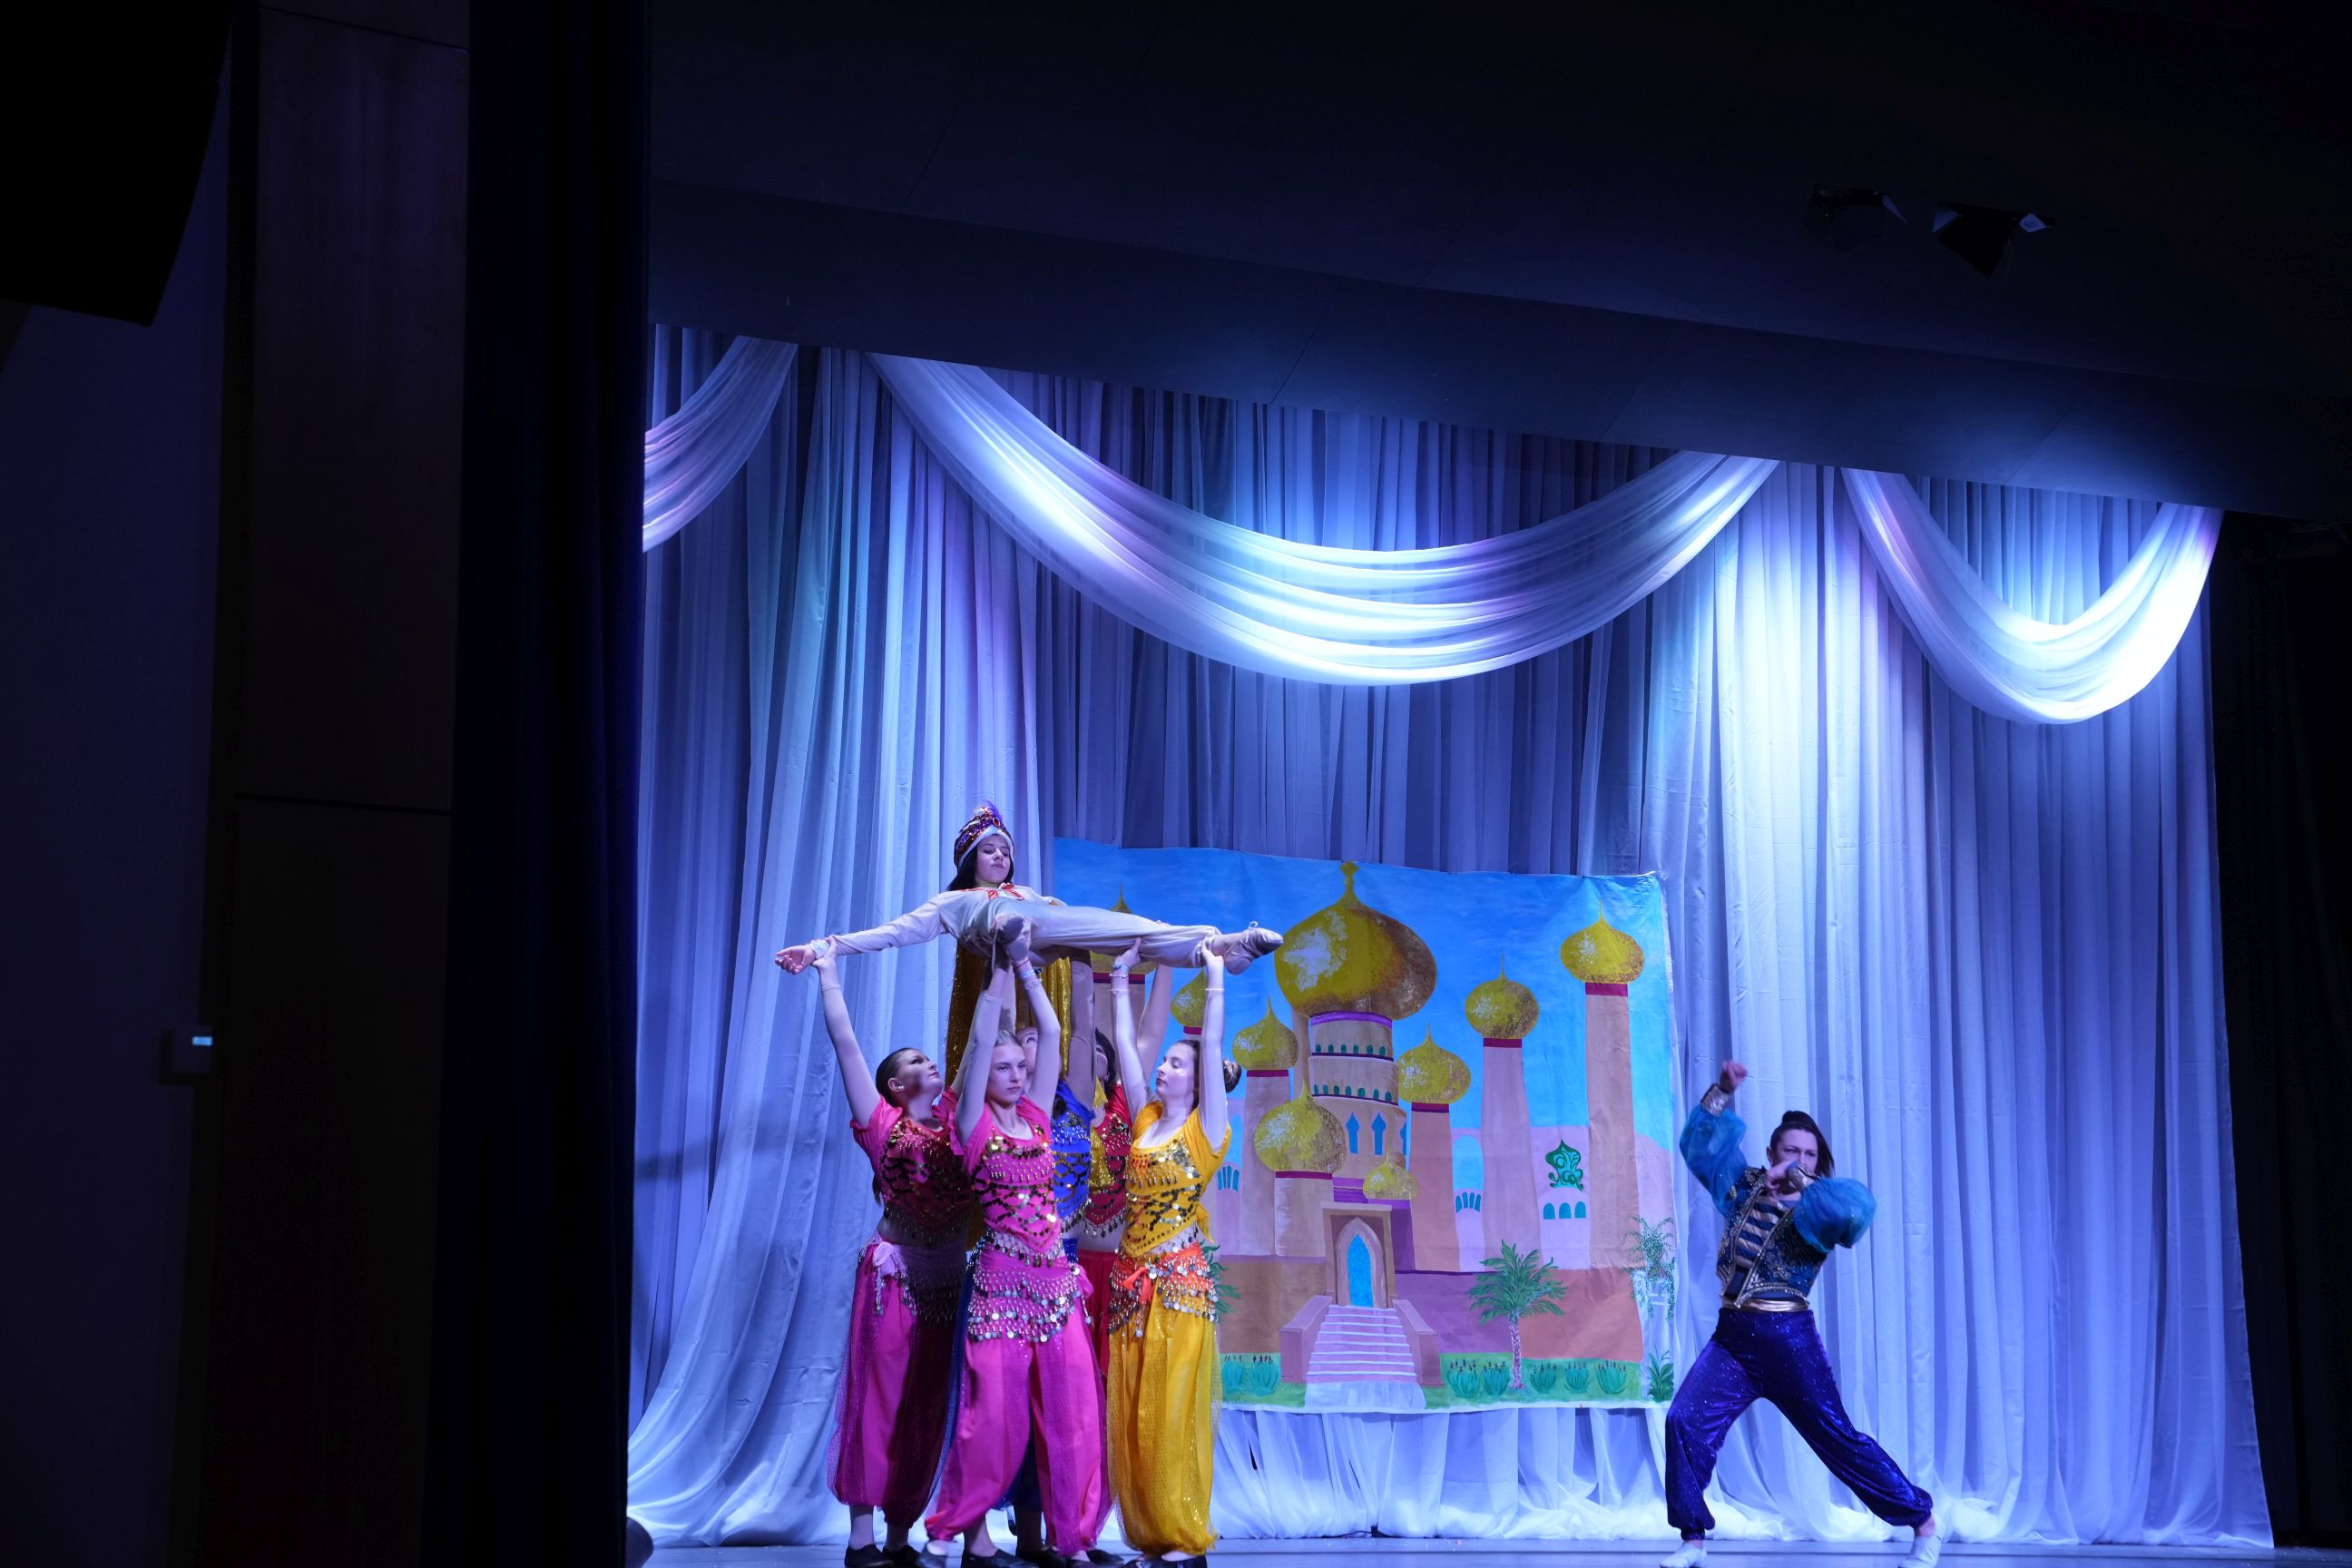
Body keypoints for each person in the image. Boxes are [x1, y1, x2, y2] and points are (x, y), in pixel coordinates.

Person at [1660, 1061, 1940, 1568]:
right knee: (1685, 1419)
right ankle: (1692, 1539)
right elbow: (1699, 1149)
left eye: (1810, 1155)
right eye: (1791, 1151)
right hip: (1733, 1339)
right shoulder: (1744, 1186)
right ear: (1771, 1153)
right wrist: (1722, 1092)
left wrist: (1799, 1179)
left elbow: (1856, 1212)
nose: (1800, 1160)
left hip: (1788, 1341)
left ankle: (1922, 1522)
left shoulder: (1820, 1207)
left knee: (1838, 1439)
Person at [923, 930, 1106, 1563]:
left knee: (1073, 1414)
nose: (1016, 1074)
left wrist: (1026, 967)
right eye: (1004, 1068)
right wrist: (998, 971)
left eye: (1019, 1068)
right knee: (992, 1418)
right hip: (1000, 1285)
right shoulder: (971, 1125)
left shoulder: (1035, 1119)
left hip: (1055, 1285)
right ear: (984, 1074)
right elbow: (980, 1043)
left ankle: (1073, 1539)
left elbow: (1052, 1034)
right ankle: (954, 1529)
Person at [811, 947, 972, 1568]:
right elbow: (846, 1044)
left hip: (948, 1280)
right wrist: (828, 973)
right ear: (895, 1086)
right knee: (878, 1398)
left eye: (930, 1057)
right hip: (894, 1276)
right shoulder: (880, 1122)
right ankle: (861, 1537)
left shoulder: (962, 1119)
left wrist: (1002, 967)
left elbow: (983, 1038)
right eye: (915, 1061)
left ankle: (902, 1533)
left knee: (927, 1403)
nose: (929, 1061)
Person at [770, 803, 1280, 975]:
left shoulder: (1029, 892)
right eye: (989, 850)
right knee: (1023, 919)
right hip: (1000, 938)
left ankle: (1221, 947)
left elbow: (1084, 926)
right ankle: (1216, 945)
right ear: (970, 860)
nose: (1000, 857)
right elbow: (890, 934)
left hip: (1040, 938)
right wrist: (820, 947)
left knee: (1130, 931)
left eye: (1005, 850)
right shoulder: (952, 901)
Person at [1102, 942, 1240, 1568]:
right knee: (1135, 1411)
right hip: (1130, 1286)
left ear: (1200, 1080)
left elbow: (1212, 1044)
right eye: (1167, 1062)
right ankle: (1153, 1537)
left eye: (1177, 1065)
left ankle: (1185, 1534)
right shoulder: (1146, 1121)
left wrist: (1214, 974)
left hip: (1179, 1287)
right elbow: (1127, 1051)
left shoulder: (1205, 1132)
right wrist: (1120, 979)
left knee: (1173, 1410)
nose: (1164, 1068)